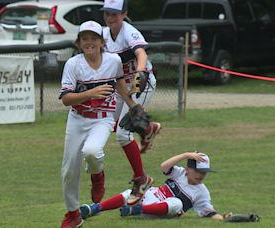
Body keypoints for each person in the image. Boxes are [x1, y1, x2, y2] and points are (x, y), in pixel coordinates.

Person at [58, 20, 143, 228]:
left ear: (102, 42)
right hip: (77, 118)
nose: (89, 42)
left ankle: (98, 176)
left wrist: (132, 105)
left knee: (92, 151)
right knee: (69, 169)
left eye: (93, 38)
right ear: (78, 42)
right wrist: (90, 93)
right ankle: (73, 215)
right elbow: (66, 99)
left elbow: (120, 82)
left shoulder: (113, 61)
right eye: (84, 38)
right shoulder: (73, 64)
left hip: (104, 118)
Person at [99, 0, 160, 207]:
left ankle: (141, 179)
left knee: (123, 135)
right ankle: (148, 128)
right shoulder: (104, 34)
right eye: (107, 12)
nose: (109, 17)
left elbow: (141, 53)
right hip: (121, 87)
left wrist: (141, 71)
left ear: (124, 14)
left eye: (114, 13)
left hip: (139, 85)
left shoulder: (128, 31)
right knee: (109, 122)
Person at [79, 151, 233, 221]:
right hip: (153, 196)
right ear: (187, 169)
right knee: (131, 192)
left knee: (177, 203)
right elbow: (164, 166)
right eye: (197, 170)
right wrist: (186, 155)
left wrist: (223, 219)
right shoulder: (179, 173)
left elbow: (209, 213)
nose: (201, 175)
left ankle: (135, 210)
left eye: (204, 172)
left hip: (160, 211)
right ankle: (95, 209)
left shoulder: (202, 192)